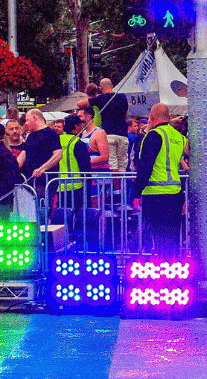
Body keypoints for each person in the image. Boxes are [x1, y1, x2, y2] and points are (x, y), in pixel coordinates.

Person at [131, 103, 187, 256]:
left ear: (152, 118)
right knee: (173, 237)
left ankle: (163, 272)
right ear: (169, 117)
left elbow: (145, 166)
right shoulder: (179, 137)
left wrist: (137, 193)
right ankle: (174, 271)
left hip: (156, 194)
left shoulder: (154, 135)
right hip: (175, 192)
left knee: (160, 237)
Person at [79, 78, 130, 172]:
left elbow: (80, 104)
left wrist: (93, 97)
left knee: (112, 165)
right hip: (123, 134)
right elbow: (126, 113)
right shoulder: (122, 97)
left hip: (109, 134)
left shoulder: (100, 98)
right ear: (112, 86)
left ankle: (115, 186)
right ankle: (121, 186)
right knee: (122, 165)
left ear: (101, 88)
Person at [18, 109, 63, 189]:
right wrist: (12, 168)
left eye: (27, 120)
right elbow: (23, 154)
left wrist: (42, 169)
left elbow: (58, 154)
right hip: (30, 183)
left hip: (45, 183)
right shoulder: (30, 136)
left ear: (34, 118)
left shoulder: (50, 133)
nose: (26, 123)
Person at [77, 106, 111, 172]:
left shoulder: (99, 133)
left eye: (80, 117)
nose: (78, 120)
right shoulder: (82, 133)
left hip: (99, 177)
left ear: (88, 117)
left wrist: (85, 164)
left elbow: (105, 156)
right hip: (89, 175)